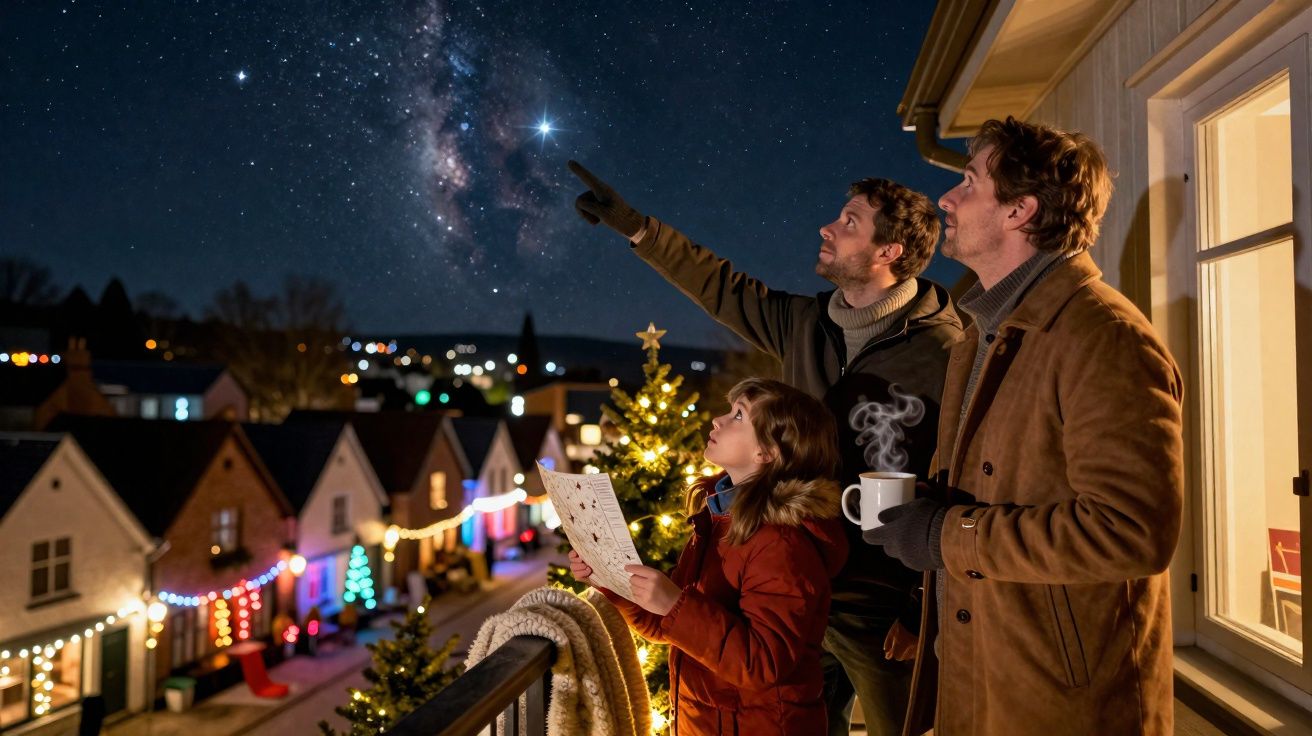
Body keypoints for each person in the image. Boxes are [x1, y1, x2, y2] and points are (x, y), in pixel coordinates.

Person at [569, 161, 963, 735]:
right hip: (787, 572)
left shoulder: (944, 353)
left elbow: (954, 477)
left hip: (879, 600)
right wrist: (639, 229)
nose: (827, 228)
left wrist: (918, 603)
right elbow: (720, 286)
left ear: (890, 251)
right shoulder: (804, 323)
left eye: (849, 222)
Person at [866, 117, 1183, 735]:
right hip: (987, 675)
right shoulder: (981, 335)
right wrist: (930, 508)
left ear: (1019, 211)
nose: (947, 200)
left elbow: (1132, 533)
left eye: (969, 182)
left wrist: (944, 535)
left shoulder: (1105, 338)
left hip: (1062, 700)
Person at [570, 378, 848, 735]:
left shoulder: (781, 543)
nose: (718, 420)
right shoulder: (718, 522)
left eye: (738, 416)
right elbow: (667, 626)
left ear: (768, 452)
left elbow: (762, 663)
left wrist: (674, 604)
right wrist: (610, 578)